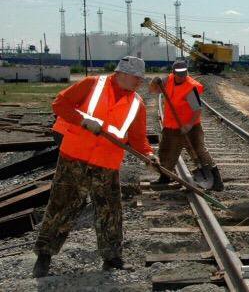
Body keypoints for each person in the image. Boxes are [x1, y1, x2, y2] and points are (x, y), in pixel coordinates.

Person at [35, 56, 156, 277]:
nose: (139, 82)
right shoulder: (92, 84)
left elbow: (138, 139)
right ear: (120, 74)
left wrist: (148, 154)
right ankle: (44, 257)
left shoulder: (137, 103)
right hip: (75, 156)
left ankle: (112, 258)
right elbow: (59, 104)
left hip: (107, 162)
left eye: (141, 78)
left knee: (110, 210)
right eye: (136, 78)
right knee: (61, 206)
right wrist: (83, 120)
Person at [148, 60, 224, 191]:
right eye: (179, 73)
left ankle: (216, 181)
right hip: (171, 126)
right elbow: (153, 90)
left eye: (184, 73)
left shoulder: (190, 87)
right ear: (173, 72)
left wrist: (188, 126)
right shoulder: (168, 80)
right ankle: (165, 177)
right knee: (166, 151)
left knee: (199, 152)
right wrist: (154, 82)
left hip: (191, 127)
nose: (182, 76)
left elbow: (197, 109)